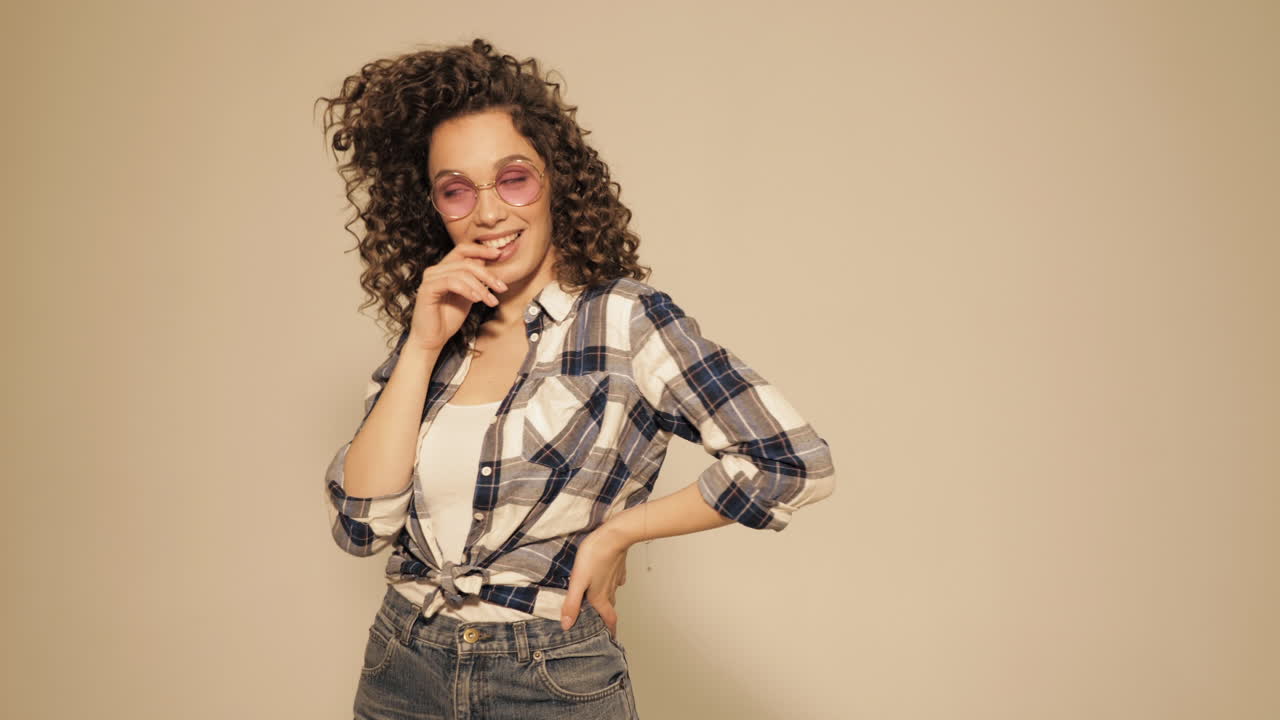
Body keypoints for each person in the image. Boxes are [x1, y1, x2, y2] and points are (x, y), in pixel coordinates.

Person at [315, 38, 836, 720]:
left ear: (555, 178)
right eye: (456, 191)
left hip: (546, 675)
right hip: (401, 661)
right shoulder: (432, 345)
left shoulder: (623, 322)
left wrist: (618, 533)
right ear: (433, 209)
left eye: (514, 178)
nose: (489, 212)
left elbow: (792, 463)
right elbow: (362, 529)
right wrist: (419, 346)